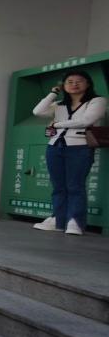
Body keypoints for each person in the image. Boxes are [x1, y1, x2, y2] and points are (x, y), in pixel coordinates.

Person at [32, 70, 106, 235]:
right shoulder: (59, 104)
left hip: (80, 147)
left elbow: (86, 120)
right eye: (69, 82)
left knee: (75, 186)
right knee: (58, 187)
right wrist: (53, 92)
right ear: (64, 86)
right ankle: (58, 220)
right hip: (54, 147)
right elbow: (37, 111)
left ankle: (75, 222)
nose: (74, 84)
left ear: (88, 84)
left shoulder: (97, 101)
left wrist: (57, 125)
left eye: (79, 81)